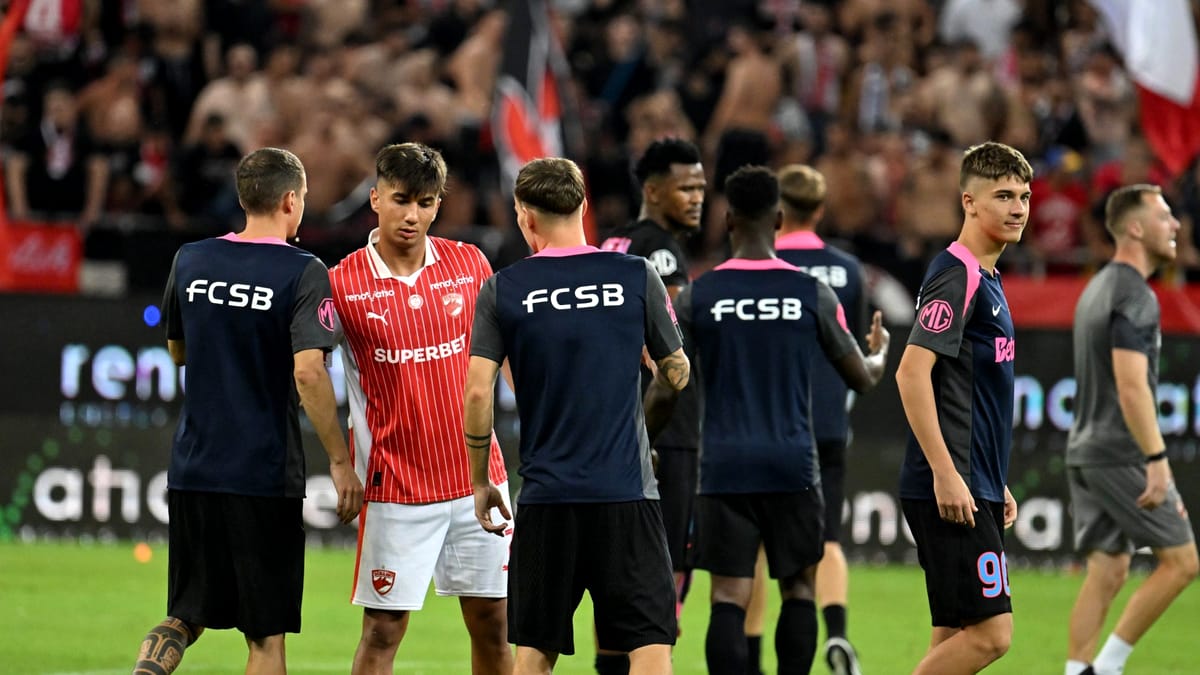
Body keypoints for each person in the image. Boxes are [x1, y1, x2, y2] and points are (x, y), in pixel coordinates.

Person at [644, 165, 889, 675]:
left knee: (727, 597)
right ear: (778, 219)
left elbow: (668, 384)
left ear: (728, 220)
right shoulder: (811, 292)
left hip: (724, 467)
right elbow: (861, 377)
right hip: (793, 466)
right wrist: (880, 353)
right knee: (798, 589)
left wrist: (640, 440)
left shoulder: (700, 295)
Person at [134, 147, 363, 675]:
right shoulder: (303, 270)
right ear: (290, 201)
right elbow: (309, 372)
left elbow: (178, 350)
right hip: (262, 474)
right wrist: (338, 459)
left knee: (185, 614)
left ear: (243, 199)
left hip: (193, 468)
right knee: (264, 636)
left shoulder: (191, 259)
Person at [465, 157, 688, 675]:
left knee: (535, 652)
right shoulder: (636, 274)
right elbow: (676, 373)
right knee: (651, 646)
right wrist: (646, 419)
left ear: (525, 216)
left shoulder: (503, 288)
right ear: (584, 206)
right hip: (627, 493)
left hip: (548, 498)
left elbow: (477, 394)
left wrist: (480, 481)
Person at [329, 142, 513, 675]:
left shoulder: (470, 264)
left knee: (494, 625)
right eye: (401, 199)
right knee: (382, 632)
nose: (412, 215)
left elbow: (504, 357)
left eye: (426, 203)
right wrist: (339, 462)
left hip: (478, 480)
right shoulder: (341, 283)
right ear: (376, 199)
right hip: (395, 488)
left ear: (438, 205)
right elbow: (308, 370)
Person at [895, 141, 1031, 675]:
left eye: (1024, 196)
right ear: (969, 202)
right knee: (992, 635)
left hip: (976, 480)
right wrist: (947, 472)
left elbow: (970, 395)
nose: (1018, 208)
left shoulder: (988, 278)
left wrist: (995, 479)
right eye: (1003, 195)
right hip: (953, 486)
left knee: (952, 634)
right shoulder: (959, 274)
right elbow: (911, 373)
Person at [1063, 184, 1198, 675]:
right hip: (1121, 452)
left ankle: (1077, 671)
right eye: (1164, 216)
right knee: (1182, 562)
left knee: (1107, 569)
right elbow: (1131, 385)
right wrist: (1156, 459)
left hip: (1085, 448)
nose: (1176, 225)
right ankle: (1107, 667)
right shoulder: (1134, 294)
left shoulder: (1097, 287)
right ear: (1136, 228)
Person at [598, 137, 705, 675]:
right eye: (686, 188)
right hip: (664, 430)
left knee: (616, 568)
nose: (697, 198)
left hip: (615, 422)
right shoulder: (661, 253)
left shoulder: (613, 242)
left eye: (701, 187)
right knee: (665, 574)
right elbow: (671, 348)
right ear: (654, 191)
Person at [775, 163, 869, 675]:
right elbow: (855, 350)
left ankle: (751, 653)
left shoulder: (759, 265)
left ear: (778, 210)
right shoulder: (849, 271)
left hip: (771, 423)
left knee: (761, 550)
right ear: (820, 210)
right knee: (828, 537)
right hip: (829, 422)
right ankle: (837, 634)